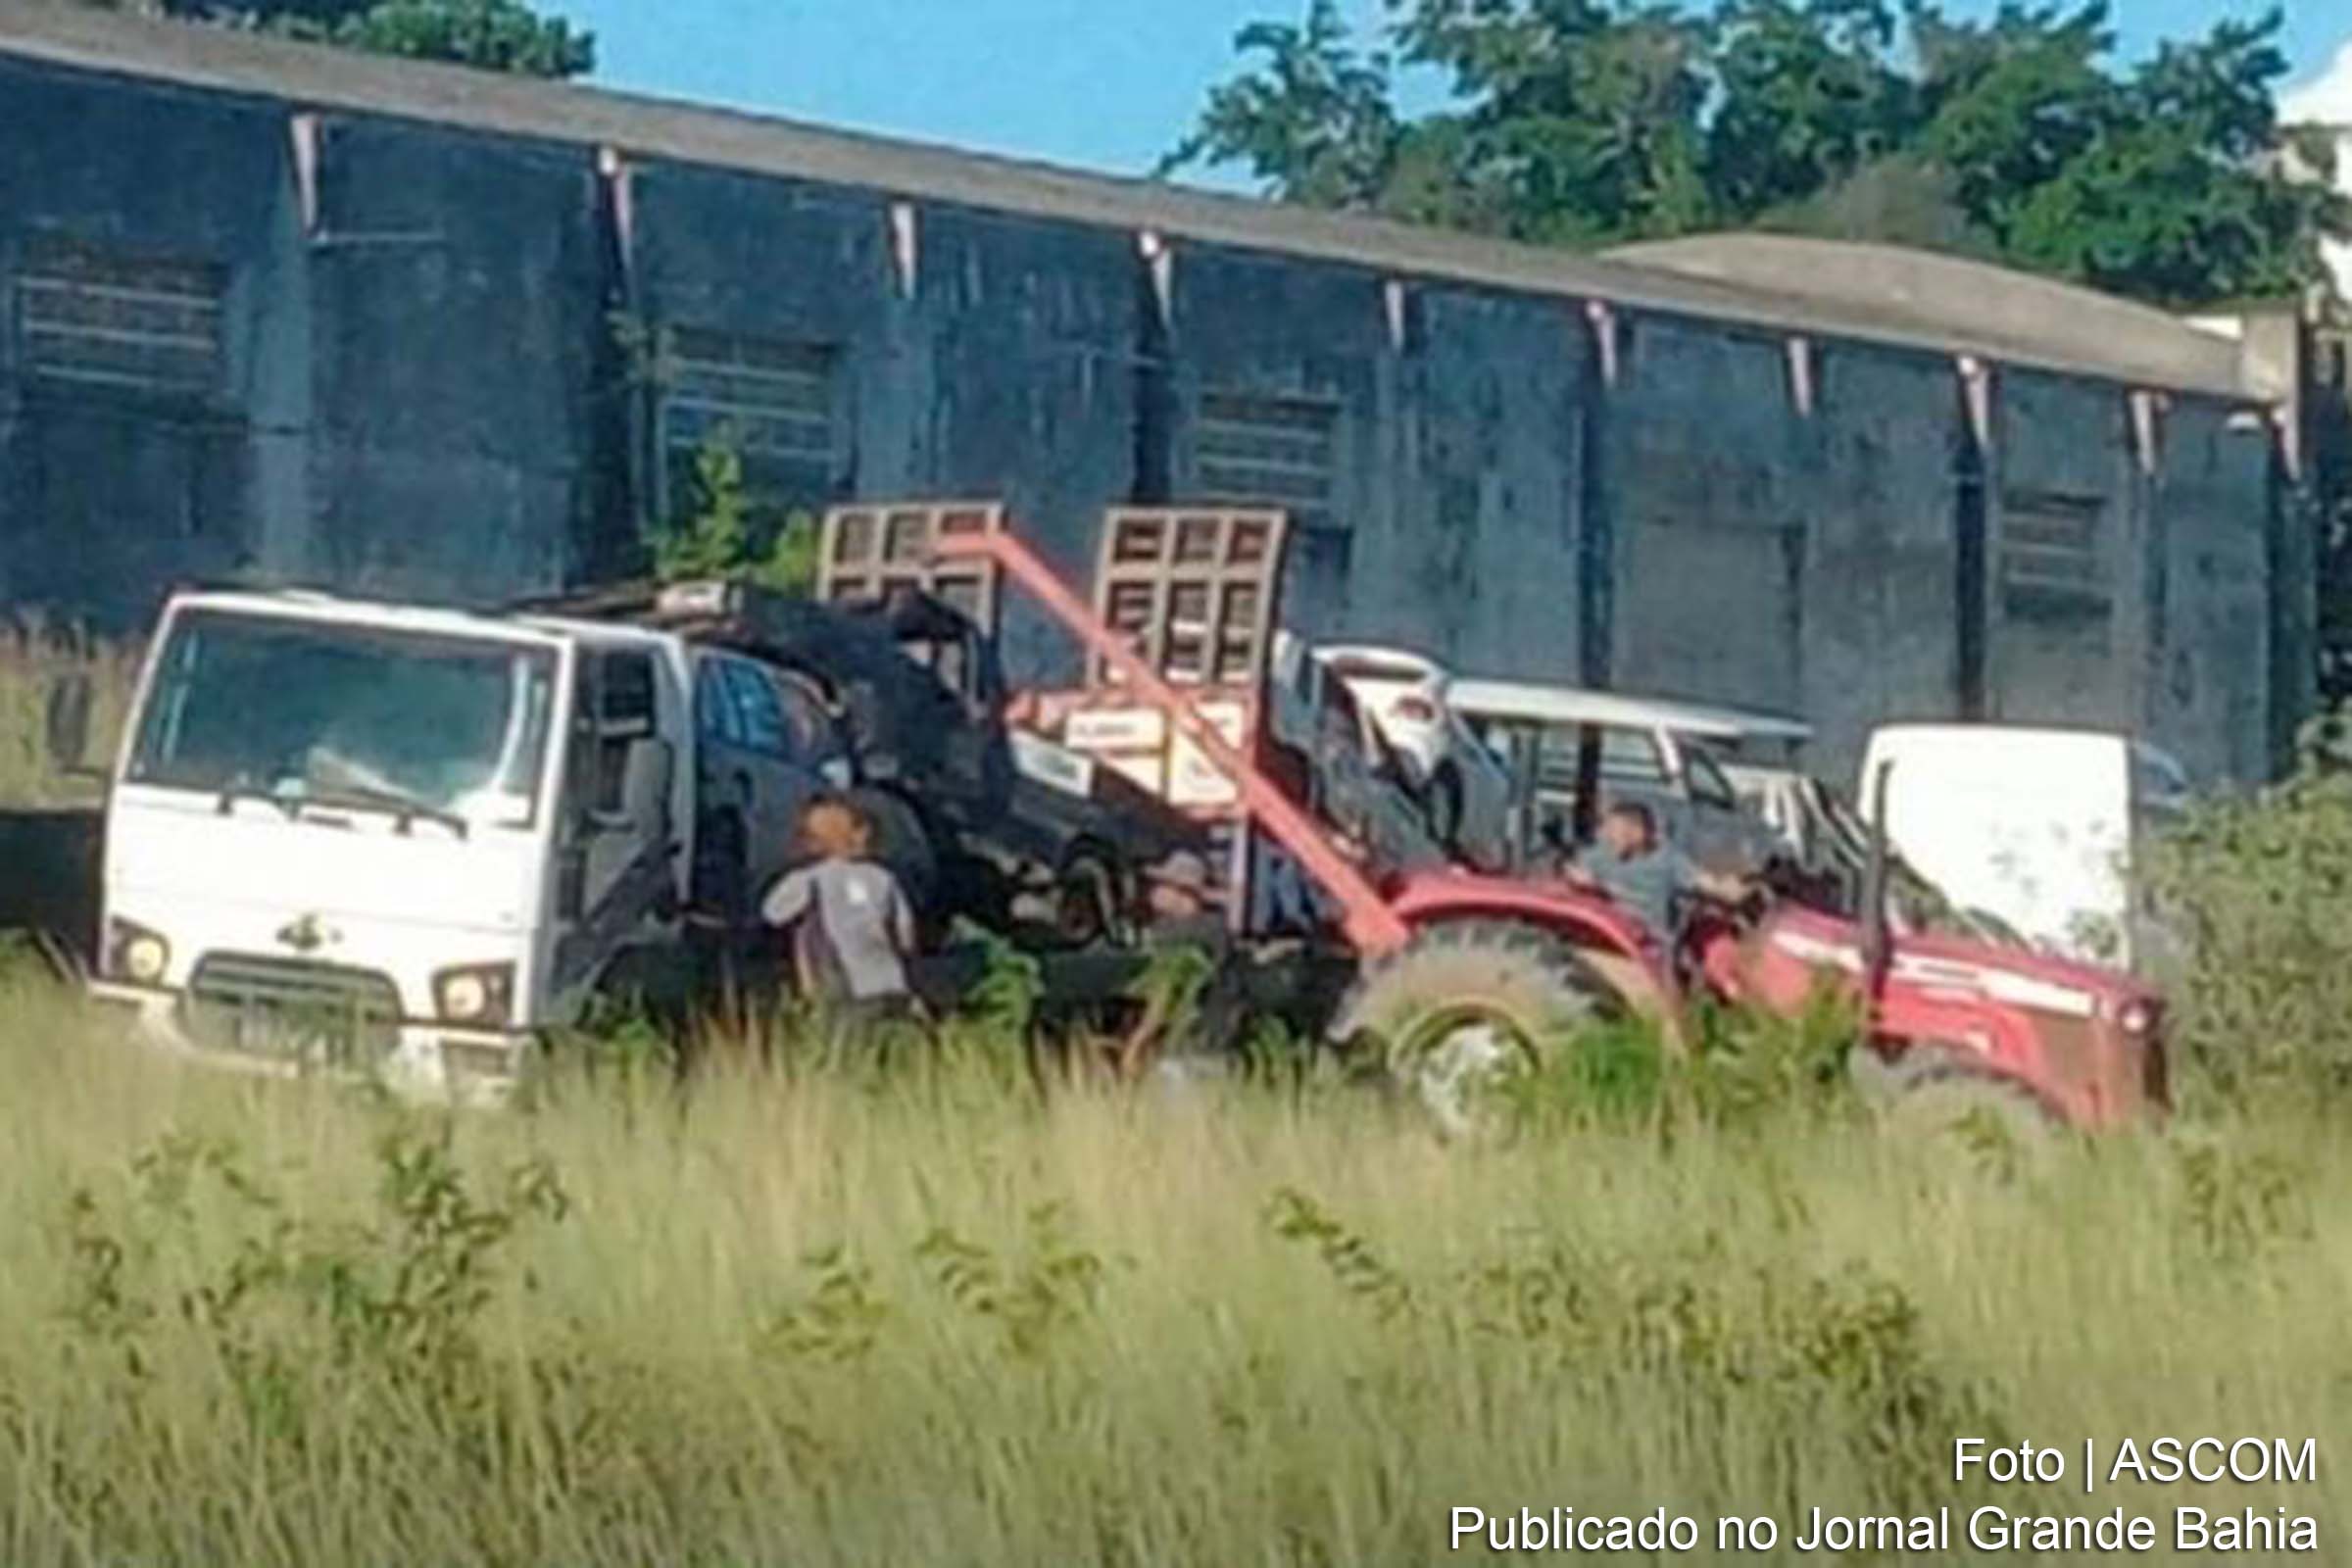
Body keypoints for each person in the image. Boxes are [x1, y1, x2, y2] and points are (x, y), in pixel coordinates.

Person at [761, 796, 920, 1045]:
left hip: (840, 986)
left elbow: (773, 914)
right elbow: (906, 936)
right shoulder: (884, 878)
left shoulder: (808, 880)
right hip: (890, 981)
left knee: (841, 1048)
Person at [1558, 800, 1755, 950]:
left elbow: (1708, 884)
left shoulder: (1668, 861)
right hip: (1603, 936)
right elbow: (1573, 872)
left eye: (1617, 831)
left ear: (1639, 833)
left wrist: (1735, 890)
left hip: (1647, 944)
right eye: (1608, 830)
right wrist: (1578, 879)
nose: (1609, 837)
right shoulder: (1599, 857)